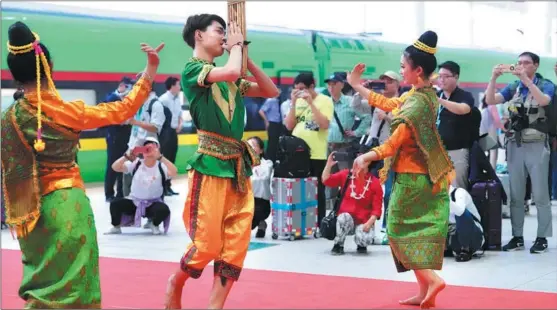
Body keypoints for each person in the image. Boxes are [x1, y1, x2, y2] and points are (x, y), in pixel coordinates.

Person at [1, 21, 164, 308]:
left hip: (30, 212)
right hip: (68, 206)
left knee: (41, 286)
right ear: (48, 67)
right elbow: (122, 109)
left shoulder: (9, 118)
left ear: (14, 73)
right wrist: (150, 70)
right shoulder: (68, 112)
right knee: (75, 288)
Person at [164, 14, 279, 310]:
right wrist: (237, 49)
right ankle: (174, 283)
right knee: (207, 245)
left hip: (237, 168)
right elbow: (228, 72)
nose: (224, 37)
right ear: (198, 36)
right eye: (219, 31)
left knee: (235, 244)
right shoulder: (193, 70)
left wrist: (247, 58)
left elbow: (271, 91)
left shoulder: (231, 77)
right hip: (210, 165)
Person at [347, 30, 454, 309]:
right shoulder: (423, 93)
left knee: (395, 230)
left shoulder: (417, 103)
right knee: (415, 232)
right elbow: (387, 103)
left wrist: (365, 157)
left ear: (418, 70)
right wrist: (357, 86)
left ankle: (431, 279)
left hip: (412, 178)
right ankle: (424, 291)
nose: (400, 70)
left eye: (403, 66)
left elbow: (392, 144)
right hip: (425, 176)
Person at [105, 137, 176, 235]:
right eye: (145, 148)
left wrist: (160, 157)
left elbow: (174, 172)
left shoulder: (161, 166)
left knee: (163, 210)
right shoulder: (136, 163)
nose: (148, 150)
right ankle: (116, 226)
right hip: (135, 202)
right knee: (115, 204)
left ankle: (154, 224)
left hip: (153, 203)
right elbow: (115, 167)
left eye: (152, 147)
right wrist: (126, 156)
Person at [322, 152, 383, 255]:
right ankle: (338, 244)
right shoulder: (346, 175)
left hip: (363, 220)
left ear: (370, 163)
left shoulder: (375, 182)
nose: (361, 161)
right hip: (346, 219)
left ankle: (361, 245)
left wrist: (369, 223)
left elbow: (377, 209)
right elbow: (326, 180)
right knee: (343, 217)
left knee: (365, 238)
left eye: (365, 159)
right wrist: (328, 165)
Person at [247, 136, 274, 238]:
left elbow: (262, 178)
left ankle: (261, 222)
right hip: (244, 201)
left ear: (261, 150)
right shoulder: (240, 164)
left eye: (253, 145)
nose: (250, 148)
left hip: (260, 202)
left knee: (251, 222)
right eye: (248, 145)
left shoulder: (267, 164)